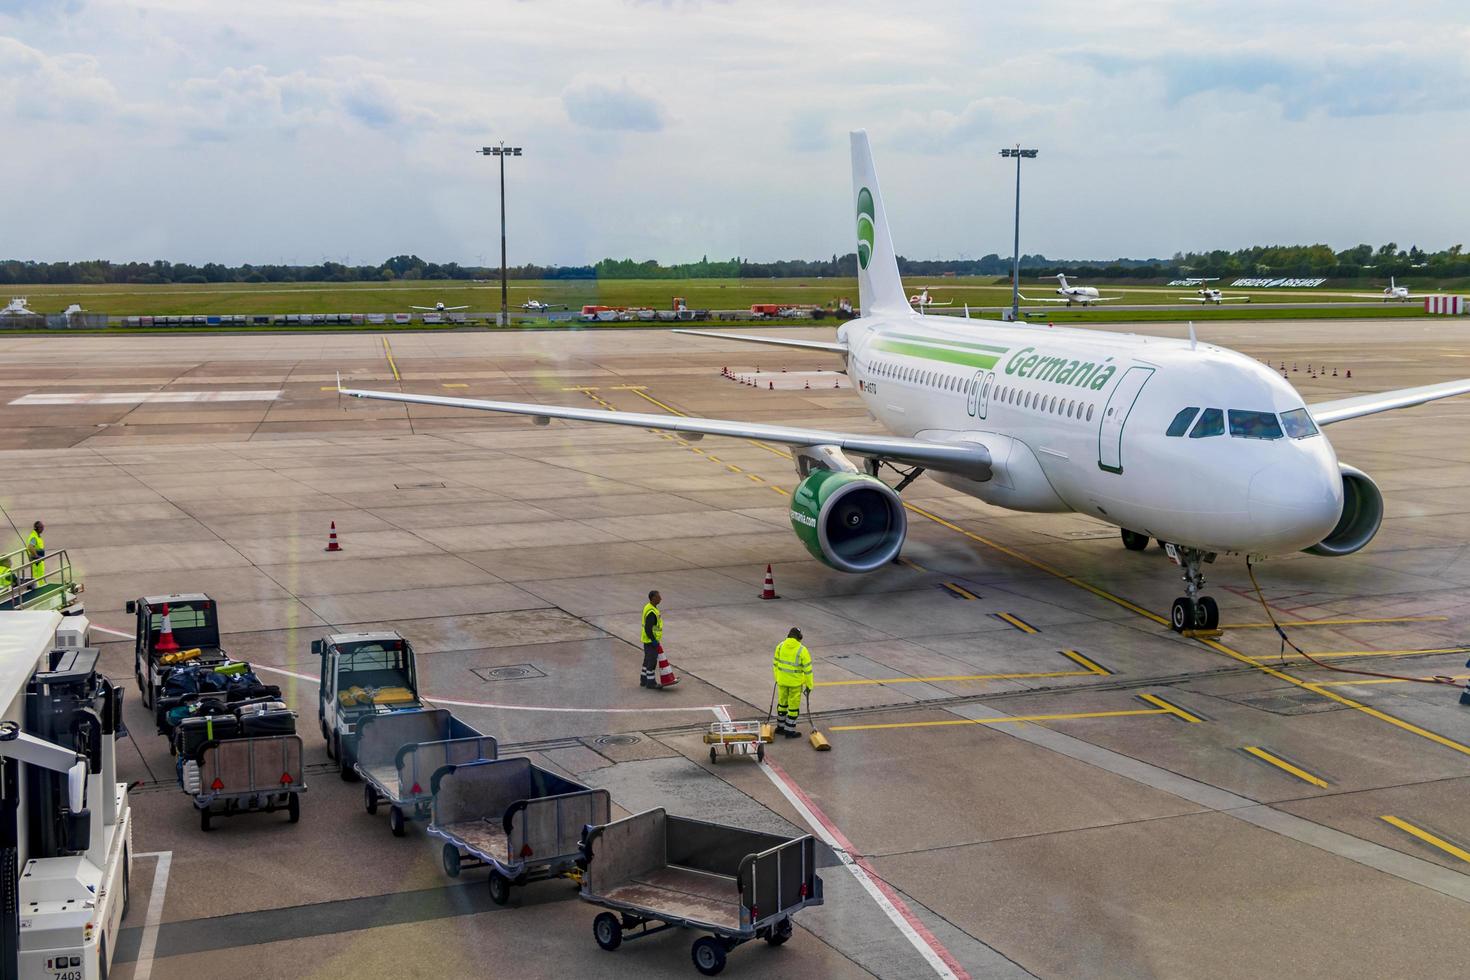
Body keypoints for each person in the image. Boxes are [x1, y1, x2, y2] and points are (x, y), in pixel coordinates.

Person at [772, 627, 813, 738]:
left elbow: (775, 664)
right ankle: (789, 731)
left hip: (782, 682)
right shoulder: (802, 650)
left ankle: (780, 727)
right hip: (795, 683)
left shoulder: (780, 646)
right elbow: (808, 670)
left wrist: (778, 678)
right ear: (799, 637)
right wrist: (809, 685)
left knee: (782, 704)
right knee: (793, 708)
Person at [640, 590, 664, 689]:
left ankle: (643, 679)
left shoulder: (649, 607)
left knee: (647, 660)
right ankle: (651, 683)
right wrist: (653, 640)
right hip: (650, 641)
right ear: (653, 598)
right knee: (652, 661)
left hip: (647, 640)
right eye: (658, 597)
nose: (660, 598)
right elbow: (648, 628)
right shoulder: (651, 612)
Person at [24, 520, 44, 585]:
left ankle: (41, 587)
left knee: (40, 577)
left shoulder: (37, 536)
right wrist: (36, 556)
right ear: (36, 528)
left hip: (40, 561)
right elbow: (30, 547)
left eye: (43, 526)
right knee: (37, 577)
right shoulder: (34, 537)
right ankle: (39, 590)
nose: (43, 528)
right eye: (41, 527)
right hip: (37, 562)